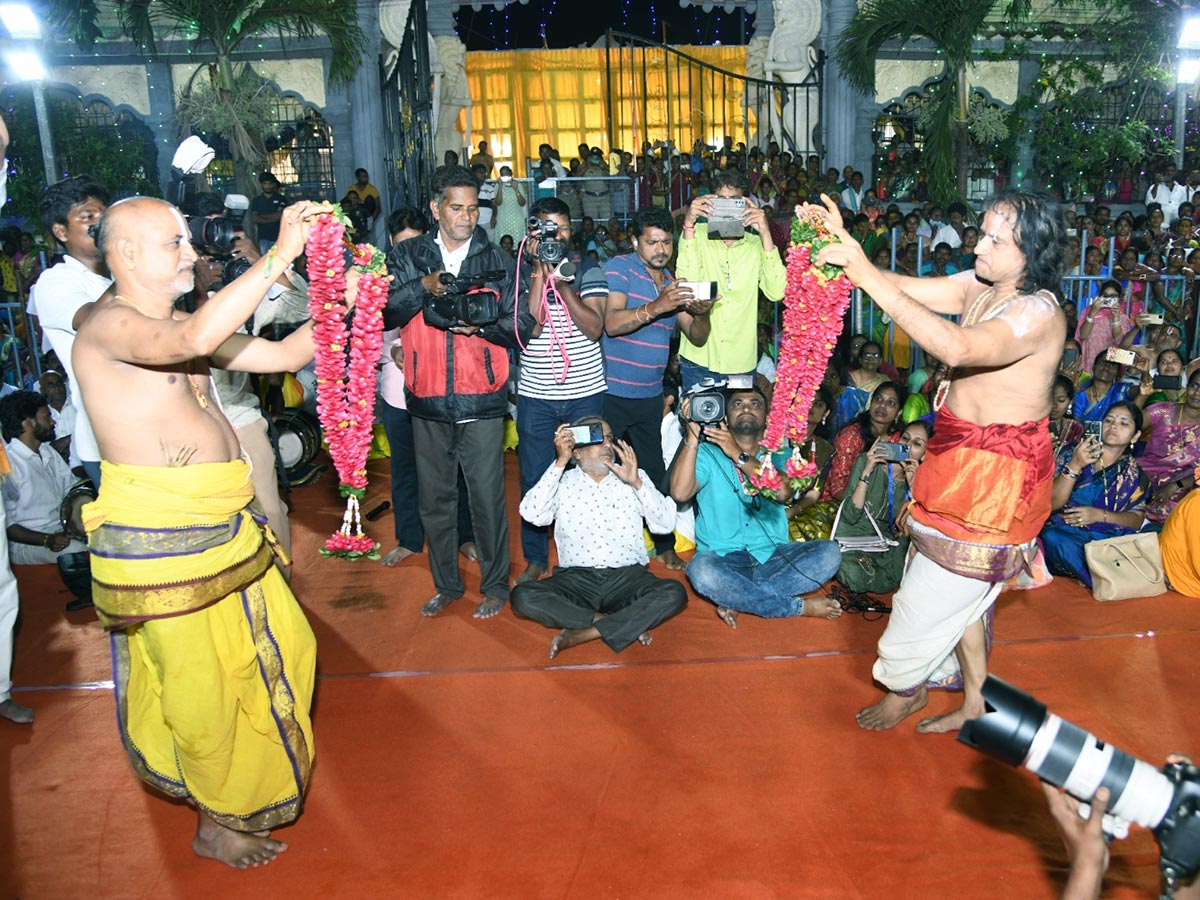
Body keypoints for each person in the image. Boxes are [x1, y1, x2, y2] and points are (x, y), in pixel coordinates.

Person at [72, 196, 326, 868]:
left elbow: (280, 354)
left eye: (188, 241)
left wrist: (346, 299)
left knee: (286, 649)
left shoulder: (189, 323)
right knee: (201, 688)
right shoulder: (110, 328)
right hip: (163, 539)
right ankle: (216, 821)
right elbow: (189, 345)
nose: (192, 254)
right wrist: (278, 257)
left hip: (222, 524)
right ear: (126, 254)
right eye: (174, 244)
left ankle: (229, 805)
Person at [814, 189, 1066, 733]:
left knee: (924, 599)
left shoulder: (1035, 312)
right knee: (963, 594)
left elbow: (957, 349)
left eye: (999, 240)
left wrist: (865, 272)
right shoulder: (981, 286)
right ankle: (976, 700)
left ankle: (907, 690)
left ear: (1033, 252)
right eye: (983, 231)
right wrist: (852, 255)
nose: (980, 244)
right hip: (955, 456)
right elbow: (903, 287)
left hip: (996, 476)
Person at [384, 165, 535, 619]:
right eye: (457, 208)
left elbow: (523, 325)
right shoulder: (408, 254)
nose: (467, 217)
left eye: (473, 208)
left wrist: (484, 326)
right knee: (436, 502)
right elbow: (387, 309)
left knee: (488, 499)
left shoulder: (498, 259)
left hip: (483, 397)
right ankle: (446, 585)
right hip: (426, 395)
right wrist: (423, 287)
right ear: (436, 208)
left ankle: (494, 586)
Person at [671, 385, 843, 627]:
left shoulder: (781, 453)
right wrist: (691, 436)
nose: (746, 409)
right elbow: (679, 492)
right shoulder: (707, 453)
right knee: (700, 571)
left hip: (773, 557)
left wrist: (738, 455)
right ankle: (796, 607)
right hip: (723, 559)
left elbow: (782, 492)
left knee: (830, 553)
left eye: (755, 404)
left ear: (767, 417)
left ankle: (738, 596)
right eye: (737, 404)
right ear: (725, 416)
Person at [511, 420, 686, 658]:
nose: (608, 444)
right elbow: (532, 514)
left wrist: (636, 483)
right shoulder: (562, 481)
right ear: (577, 452)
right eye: (598, 438)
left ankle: (585, 631)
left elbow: (665, 524)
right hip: (576, 581)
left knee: (674, 592)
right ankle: (614, 624)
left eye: (610, 438)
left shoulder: (634, 476)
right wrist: (560, 462)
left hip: (627, 579)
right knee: (522, 596)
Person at [602, 205, 713, 571]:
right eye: (652, 242)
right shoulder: (620, 268)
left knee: (652, 471)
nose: (660, 248)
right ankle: (605, 544)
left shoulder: (671, 282)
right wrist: (656, 306)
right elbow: (612, 323)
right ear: (636, 241)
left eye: (667, 242)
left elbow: (696, 338)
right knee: (602, 469)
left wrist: (702, 311)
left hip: (649, 397)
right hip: (611, 393)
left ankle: (664, 542)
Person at [512, 197, 607, 585]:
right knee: (535, 479)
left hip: (585, 394)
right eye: (546, 228)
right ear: (532, 233)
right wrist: (539, 272)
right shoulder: (520, 271)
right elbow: (527, 330)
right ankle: (536, 558)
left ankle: (587, 555)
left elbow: (595, 327)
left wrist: (563, 284)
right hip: (536, 397)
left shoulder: (589, 269)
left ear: (571, 230)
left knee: (590, 473)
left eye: (561, 228)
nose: (555, 235)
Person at [377, 207, 476, 568]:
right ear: (391, 243)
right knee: (405, 469)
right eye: (402, 245)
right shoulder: (379, 279)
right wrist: (393, 348)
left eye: (415, 244)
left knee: (457, 469)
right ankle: (409, 538)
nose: (408, 253)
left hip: (443, 390)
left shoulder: (443, 273)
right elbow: (368, 334)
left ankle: (465, 536)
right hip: (397, 391)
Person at [27, 176, 112, 487]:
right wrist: (135, 269)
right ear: (61, 231)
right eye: (88, 217)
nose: (100, 225)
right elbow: (95, 321)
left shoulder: (118, 276)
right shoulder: (55, 281)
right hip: (107, 444)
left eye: (104, 215)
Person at [676, 170, 786, 390]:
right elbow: (687, 283)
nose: (726, 208)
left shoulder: (756, 245)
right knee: (698, 424)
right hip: (699, 358)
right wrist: (688, 223)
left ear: (747, 205)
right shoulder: (696, 234)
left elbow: (777, 291)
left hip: (740, 361)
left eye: (734, 202)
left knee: (739, 424)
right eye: (720, 201)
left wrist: (765, 232)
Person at [0, 390, 92, 611]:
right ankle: (89, 596)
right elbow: (7, 525)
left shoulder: (47, 452)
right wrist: (46, 540)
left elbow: (72, 492)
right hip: (27, 541)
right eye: (46, 417)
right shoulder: (8, 464)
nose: (52, 422)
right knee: (74, 549)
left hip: (59, 530)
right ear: (28, 423)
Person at [1040, 402, 1148, 587]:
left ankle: (1100, 570)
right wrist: (1075, 465)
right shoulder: (1071, 453)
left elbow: (1136, 519)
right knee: (1054, 539)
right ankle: (1105, 579)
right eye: (1109, 420)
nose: (1114, 426)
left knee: (1151, 536)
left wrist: (1098, 515)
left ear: (1135, 435)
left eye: (1124, 423)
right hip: (1067, 531)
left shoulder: (1134, 474)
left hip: (1107, 534)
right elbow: (1051, 503)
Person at [835, 420, 931, 594]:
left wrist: (914, 490)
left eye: (917, 444)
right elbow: (850, 515)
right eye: (905, 438)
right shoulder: (867, 460)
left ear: (924, 454)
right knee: (853, 573)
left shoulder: (919, 483)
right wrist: (866, 472)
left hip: (883, 546)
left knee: (902, 574)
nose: (907, 446)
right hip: (852, 540)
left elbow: (906, 533)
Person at [1137, 370, 1200, 523]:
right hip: (1144, 477)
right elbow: (1127, 423)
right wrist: (1143, 396)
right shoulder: (1162, 410)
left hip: (1186, 485)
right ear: (1187, 386)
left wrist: (1175, 486)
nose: (1197, 393)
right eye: (1195, 386)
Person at [1074, 351, 1132, 424]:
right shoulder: (1080, 396)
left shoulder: (1121, 389)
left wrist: (1144, 373)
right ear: (1094, 366)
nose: (1106, 367)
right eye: (1103, 363)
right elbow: (1076, 427)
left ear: (1117, 372)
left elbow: (1142, 391)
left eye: (1112, 365)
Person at [250, 171, 287, 253]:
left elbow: (279, 216)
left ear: (273, 184)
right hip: (263, 238)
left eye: (270, 183)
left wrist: (262, 216)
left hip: (279, 236)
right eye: (265, 184)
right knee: (265, 262)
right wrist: (273, 217)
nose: (268, 186)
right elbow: (255, 218)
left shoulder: (281, 199)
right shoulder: (257, 201)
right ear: (261, 185)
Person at [1049, 373, 1084, 455]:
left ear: (1070, 402)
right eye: (1050, 399)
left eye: (1061, 400)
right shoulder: (1031, 426)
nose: (1054, 405)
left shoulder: (1076, 429)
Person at [344, 167, 381, 233]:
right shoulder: (351, 189)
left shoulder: (372, 189)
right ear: (357, 177)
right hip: (354, 215)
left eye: (366, 176)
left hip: (366, 215)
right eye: (363, 176)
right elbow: (346, 205)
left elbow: (378, 208)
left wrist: (370, 222)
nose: (365, 178)